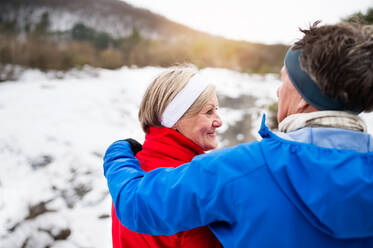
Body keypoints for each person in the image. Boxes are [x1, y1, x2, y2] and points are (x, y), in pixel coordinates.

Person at [104, 21, 373, 248]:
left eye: (283, 80)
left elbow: (136, 203)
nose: (278, 92)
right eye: (209, 111)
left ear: (303, 97)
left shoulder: (241, 169)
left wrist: (117, 154)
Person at [110, 66, 223, 247]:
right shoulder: (189, 185)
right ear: (174, 117)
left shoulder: (130, 175)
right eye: (209, 111)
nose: (219, 121)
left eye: (217, 109)